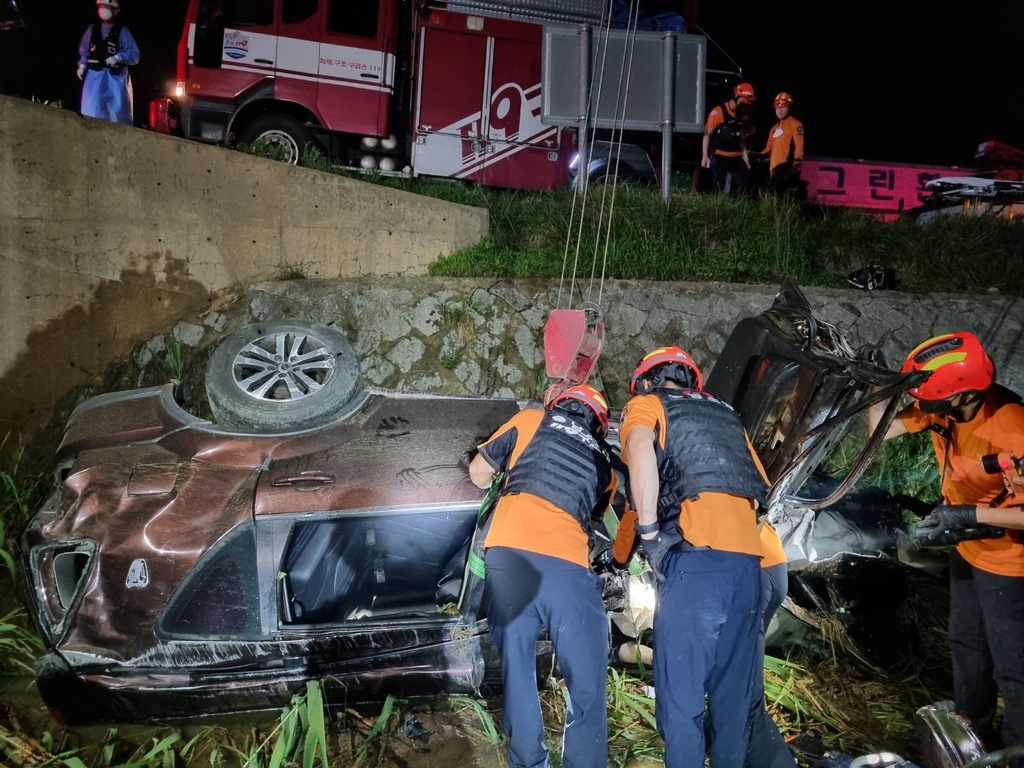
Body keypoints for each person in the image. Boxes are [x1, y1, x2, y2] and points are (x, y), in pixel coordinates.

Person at [868, 332, 1024, 762]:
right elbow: (882, 433)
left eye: (929, 399)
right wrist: (878, 390)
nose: (922, 407)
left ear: (965, 396)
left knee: (1014, 667)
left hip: (1011, 564)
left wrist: (971, 517)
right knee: (967, 646)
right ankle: (972, 737)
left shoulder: (1013, 429)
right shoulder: (949, 407)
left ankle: (1015, 753)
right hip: (968, 548)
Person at [620, 346, 769, 767]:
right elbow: (761, 492)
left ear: (647, 381)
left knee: (681, 698)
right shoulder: (727, 416)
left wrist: (649, 530)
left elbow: (639, 449)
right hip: (747, 568)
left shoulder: (648, 405)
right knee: (732, 702)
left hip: (696, 567)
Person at [468, 385, 615, 768]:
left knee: (517, 668)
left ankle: (528, 762)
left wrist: (504, 480)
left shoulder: (531, 419)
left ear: (559, 404)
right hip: (567, 567)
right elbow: (593, 519)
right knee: (587, 680)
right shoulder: (607, 462)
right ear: (599, 424)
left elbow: (478, 474)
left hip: (509, 557)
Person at [77, 0, 139, 125]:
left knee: (117, 115)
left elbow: (134, 54)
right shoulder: (93, 30)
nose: (102, 9)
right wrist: (82, 64)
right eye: (100, 6)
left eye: (105, 6)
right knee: (91, 111)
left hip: (116, 80)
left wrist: (118, 57)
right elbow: (85, 49)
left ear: (115, 10)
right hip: (94, 79)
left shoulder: (122, 31)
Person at [702, 82, 756, 195]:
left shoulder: (741, 114)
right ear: (736, 96)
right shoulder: (718, 111)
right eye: (744, 101)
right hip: (720, 156)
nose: (745, 105)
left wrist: (745, 158)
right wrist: (705, 156)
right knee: (717, 187)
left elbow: (741, 138)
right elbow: (707, 134)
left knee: (748, 186)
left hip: (736, 157)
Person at [761, 92, 804, 197]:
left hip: (786, 166)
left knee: (771, 191)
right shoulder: (774, 128)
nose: (780, 110)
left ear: (789, 107)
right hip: (774, 168)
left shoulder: (795, 123)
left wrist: (797, 164)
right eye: (777, 107)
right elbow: (767, 149)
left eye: (783, 107)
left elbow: (799, 145)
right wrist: (755, 155)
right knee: (772, 193)